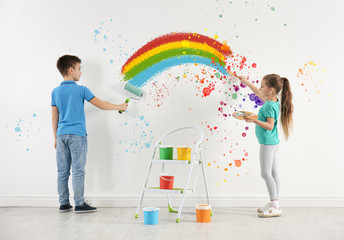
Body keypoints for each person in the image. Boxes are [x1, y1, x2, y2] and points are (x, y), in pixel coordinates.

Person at [51, 55, 128, 213]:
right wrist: (119, 106)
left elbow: (54, 116)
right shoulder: (81, 90)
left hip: (61, 135)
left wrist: (55, 137)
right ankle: (79, 204)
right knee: (78, 171)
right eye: (79, 69)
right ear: (71, 70)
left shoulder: (55, 92)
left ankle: (64, 203)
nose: (81, 72)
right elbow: (101, 104)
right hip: (77, 136)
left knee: (62, 171)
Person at [237, 74, 293, 218]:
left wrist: (254, 120)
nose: (260, 88)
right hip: (273, 142)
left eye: (263, 86)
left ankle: (274, 205)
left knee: (265, 173)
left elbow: (269, 125)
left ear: (271, 89)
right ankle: (275, 203)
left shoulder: (268, 105)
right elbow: (257, 92)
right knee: (273, 173)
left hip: (268, 143)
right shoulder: (273, 100)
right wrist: (246, 81)